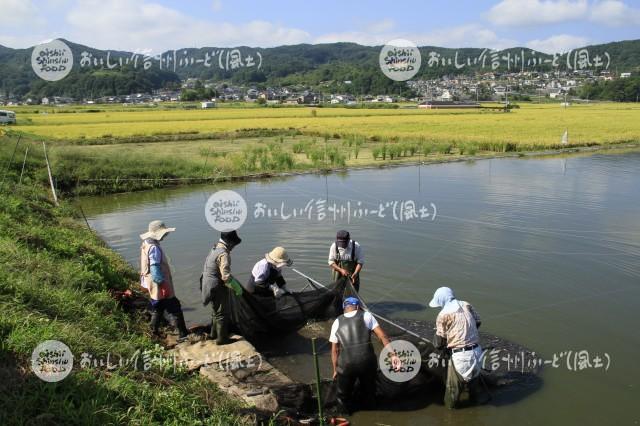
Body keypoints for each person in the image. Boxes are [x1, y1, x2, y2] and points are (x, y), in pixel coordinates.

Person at [329, 297, 400, 414]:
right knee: (369, 392)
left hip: (346, 366)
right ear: (357, 307)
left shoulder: (337, 321)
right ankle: (371, 413)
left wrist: (335, 369)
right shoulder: (366, 316)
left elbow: (334, 350)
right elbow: (382, 336)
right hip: (367, 363)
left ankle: (345, 414)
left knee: (343, 396)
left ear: (344, 309)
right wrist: (393, 355)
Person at [428, 286, 486, 408]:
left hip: (461, 357)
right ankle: (475, 406)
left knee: (452, 393)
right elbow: (478, 322)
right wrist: (466, 334)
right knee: (473, 385)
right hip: (477, 352)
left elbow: (438, 343)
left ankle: (450, 415)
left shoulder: (443, 315)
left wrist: (447, 340)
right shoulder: (466, 304)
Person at [139, 220, 189, 342]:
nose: (165, 236)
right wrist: (163, 285)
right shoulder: (154, 248)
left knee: (159, 307)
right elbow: (155, 267)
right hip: (159, 282)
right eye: (164, 233)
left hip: (150, 281)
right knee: (175, 307)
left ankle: (152, 331)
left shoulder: (146, 243)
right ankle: (183, 336)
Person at [201, 230, 242, 345]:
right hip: (216, 286)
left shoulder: (215, 248)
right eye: (234, 244)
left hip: (207, 284)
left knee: (216, 311)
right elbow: (225, 277)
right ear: (229, 242)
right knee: (222, 313)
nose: (234, 246)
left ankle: (213, 334)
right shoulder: (223, 253)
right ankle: (222, 339)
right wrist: (237, 288)